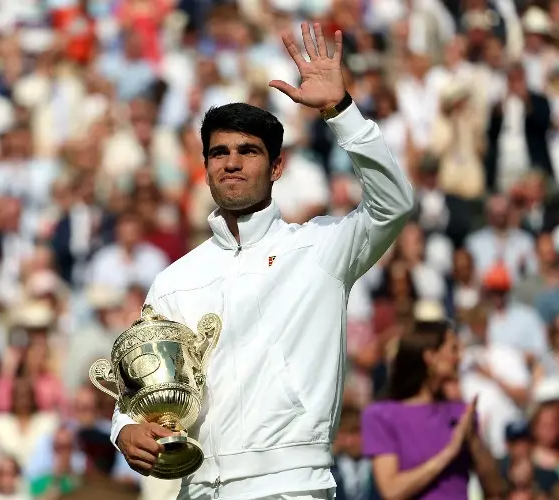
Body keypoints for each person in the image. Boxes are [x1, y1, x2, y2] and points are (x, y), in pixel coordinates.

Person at [111, 21, 416, 500]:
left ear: (277, 167)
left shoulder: (322, 248)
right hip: (199, 489)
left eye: (248, 151)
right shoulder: (176, 279)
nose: (231, 162)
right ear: (206, 167)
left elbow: (393, 204)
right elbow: (142, 381)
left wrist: (342, 112)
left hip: (293, 486)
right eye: (219, 153)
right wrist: (125, 429)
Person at [361, 323, 506, 499]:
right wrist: (449, 452)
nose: (460, 357)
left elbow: (494, 488)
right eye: (453, 349)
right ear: (430, 356)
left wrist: (474, 440)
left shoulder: (461, 413)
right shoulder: (381, 415)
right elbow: (391, 490)